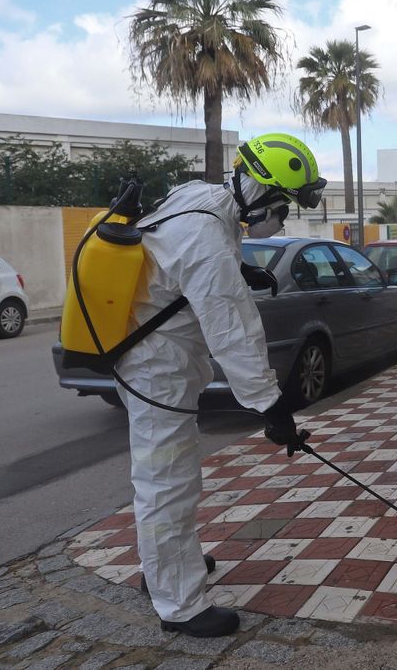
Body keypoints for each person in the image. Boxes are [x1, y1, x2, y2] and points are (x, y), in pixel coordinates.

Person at [117, 132, 324, 637]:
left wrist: (242, 267)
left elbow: (180, 262)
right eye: (283, 205)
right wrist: (270, 407)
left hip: (156, 361)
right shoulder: (208, 234)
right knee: (167, 483)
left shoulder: (203, 198)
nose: (282, 218)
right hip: (154, 371)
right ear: (261, 193)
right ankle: (178, 606)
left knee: (175, 476)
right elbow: (232, 329)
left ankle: (171, 564)